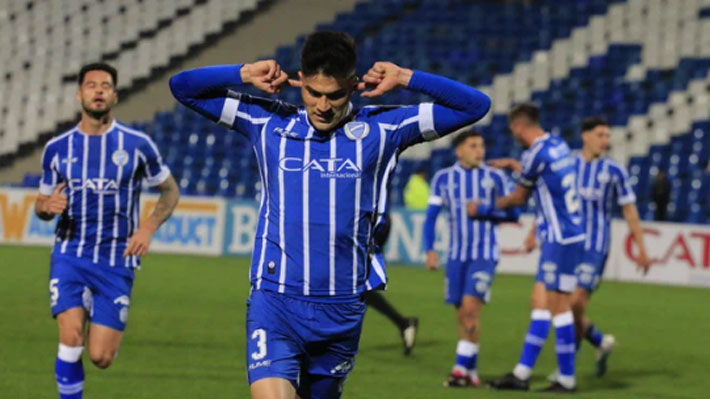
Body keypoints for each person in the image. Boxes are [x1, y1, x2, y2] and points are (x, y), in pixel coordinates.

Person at [169, 31, 490, 399]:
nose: (323, 105)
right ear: (300, 81)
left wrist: (405, 78)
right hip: (275, 303)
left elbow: (474, 106)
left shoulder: (383, 130)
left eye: (334, 95)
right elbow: (183, 88)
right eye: (314, 93)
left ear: (353, 86)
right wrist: (244, 73)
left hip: (341, 311)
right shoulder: (268, 123)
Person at [35, 62, 179, 399]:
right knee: (70, 338)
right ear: (79, 94)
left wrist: (147, 227)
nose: (98, 90)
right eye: (91, 85)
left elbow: (170, 190)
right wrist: (46, 207)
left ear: (114, 95)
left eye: (105, 85)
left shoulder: (137, 144)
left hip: (117, 260)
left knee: (101, 356)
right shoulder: (57, 148)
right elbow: (41, 203)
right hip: (70, 255)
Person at [472, 103, 584, 393]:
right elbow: (544, 176)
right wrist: (515, 165)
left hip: (558, 238)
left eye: (514, 131)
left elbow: (519, 198)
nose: (514, 136)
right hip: (572, 235)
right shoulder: (558, 144)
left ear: (520, 127)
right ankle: (522, 373)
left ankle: (566, 379)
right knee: (541, 303)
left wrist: (483, 207)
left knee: (558, 307)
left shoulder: (534, 153)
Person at [537, 117, 650, 379]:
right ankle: (599, 342)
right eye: (601, 135)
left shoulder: (615, 171)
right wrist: (536, 232)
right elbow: (551, 201)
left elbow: (629, 210)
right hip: (568, 245)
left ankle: (567, 369)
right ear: (585, 136)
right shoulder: (568, 164)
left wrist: (642, 248)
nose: (606, 141)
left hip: (595, 248)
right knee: (563, 306)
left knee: (575, 303)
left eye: (608, 136)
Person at [423, 130, 520, 388]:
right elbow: (431, 217)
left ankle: (458, 370)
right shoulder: (443, 178)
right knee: (463, 317)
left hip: (483, 255)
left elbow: (515, 215)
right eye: (473, 145)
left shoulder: (496, 177)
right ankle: (472, 373)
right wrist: (430, 249)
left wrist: (486, 211)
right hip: (456, 257)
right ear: (459, 151)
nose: (480, 150)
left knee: (469, 310)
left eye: (482, 145)